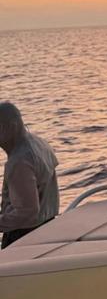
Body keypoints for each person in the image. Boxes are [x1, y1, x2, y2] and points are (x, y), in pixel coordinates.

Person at [0, 102, 59, 249]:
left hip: (24, 238)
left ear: (12, 127)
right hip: (48, 227)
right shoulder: (39, 143)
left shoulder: (20, 161)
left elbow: (27, 212)